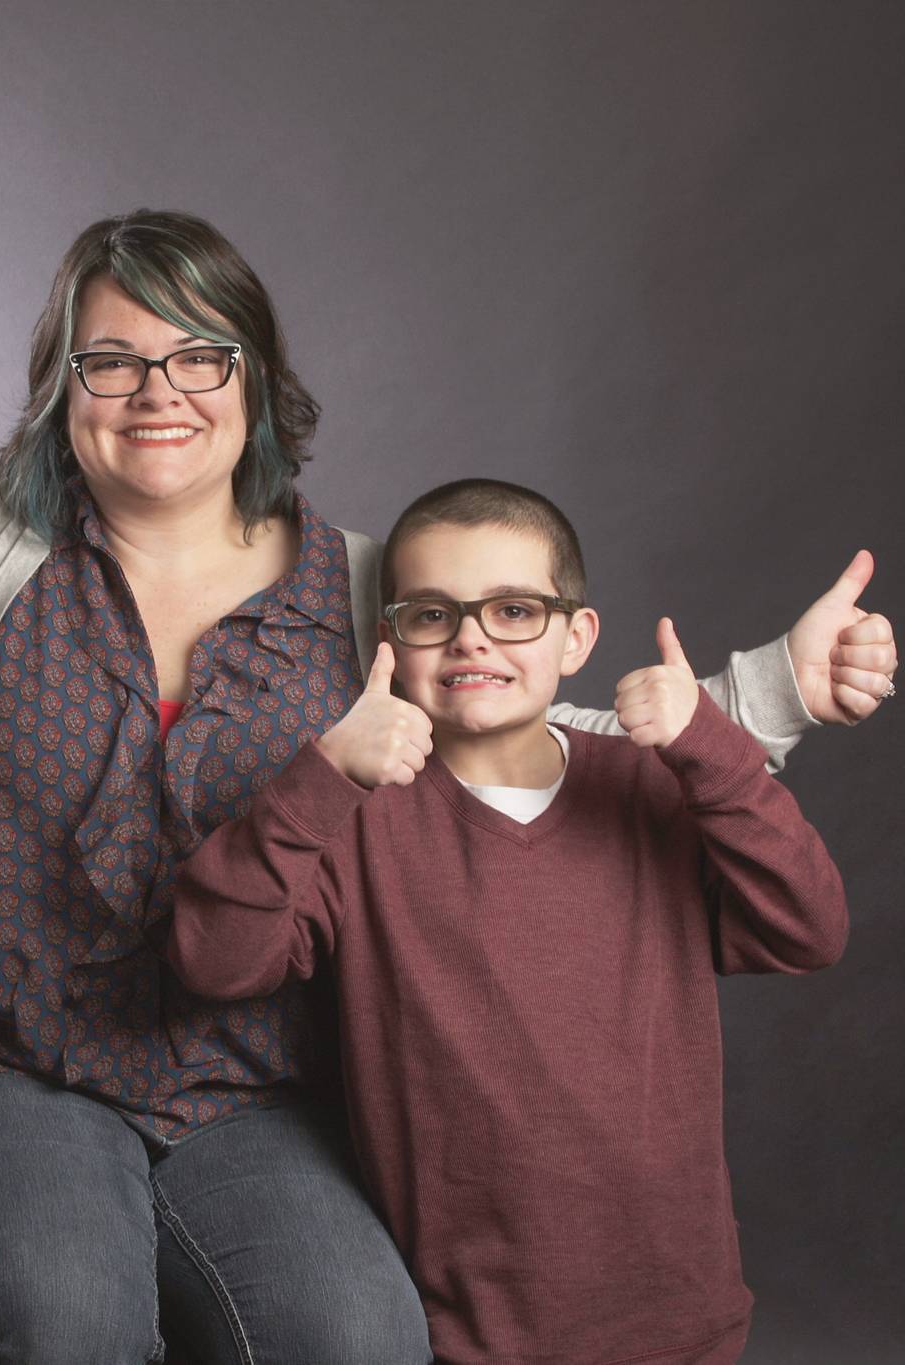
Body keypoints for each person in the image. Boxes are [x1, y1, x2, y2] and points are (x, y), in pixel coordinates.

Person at [0, 208, 898, 1365]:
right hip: (3, 1073)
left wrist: (769, 690)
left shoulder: (366, 578)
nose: (158, 393)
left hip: (265, 1091)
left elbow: (531, 702)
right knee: (69, 1332)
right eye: (112, 360)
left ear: (256, 378)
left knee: (354, 1338)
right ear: (63, 389)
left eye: (201, 356)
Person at [170, 477, 849, 1363]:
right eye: (431, 614)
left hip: (679, 1313)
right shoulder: (357, 814)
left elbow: (808, 927)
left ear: (577, 637)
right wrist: (323, 777)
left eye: (514, 610)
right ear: (390, 639)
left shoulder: (651, 785)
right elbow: (213, 961)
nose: (472, 639)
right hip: (470, 1327)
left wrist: (711, 751)